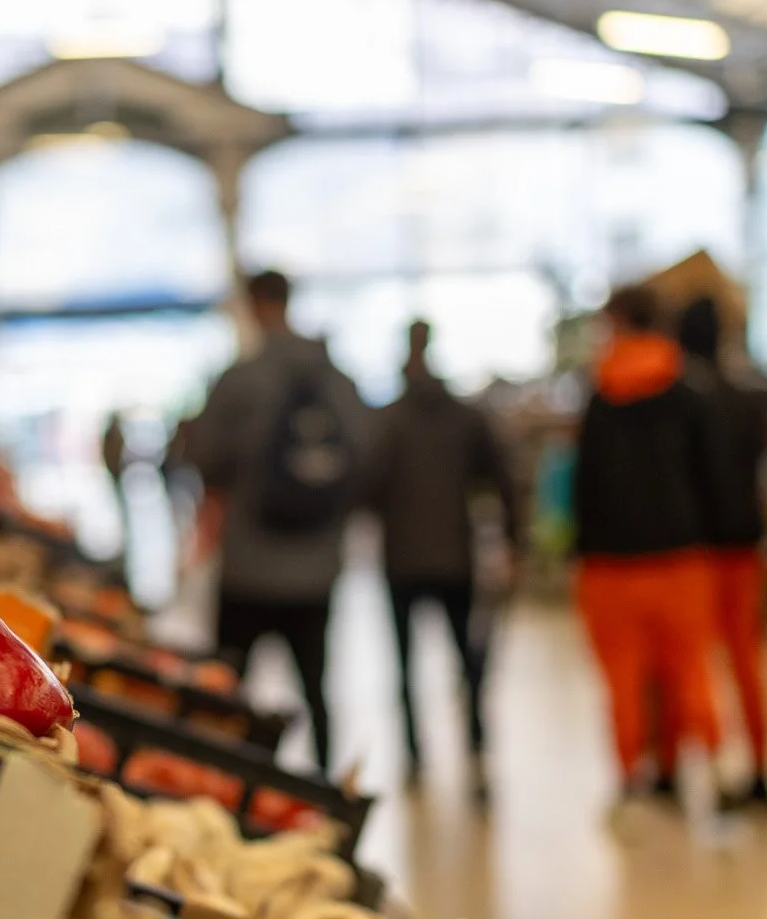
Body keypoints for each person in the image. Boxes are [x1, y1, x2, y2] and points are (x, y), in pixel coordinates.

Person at [185, 270, 370, 772]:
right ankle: (327, 785)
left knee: (230, 687)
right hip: (318, 567)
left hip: (249, 567)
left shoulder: (239, 379)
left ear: (253, 304)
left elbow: (204, 457)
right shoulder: (338, 380)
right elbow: (366, 460)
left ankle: (233, 780)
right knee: (317, 685)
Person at [572, 285, 726, 820]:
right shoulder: (687, 391)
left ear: (617, 321)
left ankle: (632, 774)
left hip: (611, 564)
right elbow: (709, 475)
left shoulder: (598, 395)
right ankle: (701, 765)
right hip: (681, 557)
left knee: (624, 677)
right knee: (687, 669)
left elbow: (585, 486)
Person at [366, 320, 522, 802]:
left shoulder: (390, 420)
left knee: (408, 666)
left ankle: (417, 756)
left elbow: (367, 490)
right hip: (454, 556)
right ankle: (474, 753)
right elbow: (503, 479)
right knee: (468, 663)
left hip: (404, 560)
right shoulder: (462, 416)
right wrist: (515, 539)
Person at [658, 296, 767, 812]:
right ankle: (758, 769)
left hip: (695, 552)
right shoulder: (746, 399)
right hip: (746, 547)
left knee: (693, 664)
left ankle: (706, 768)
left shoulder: (677, 401)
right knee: (747, 661)